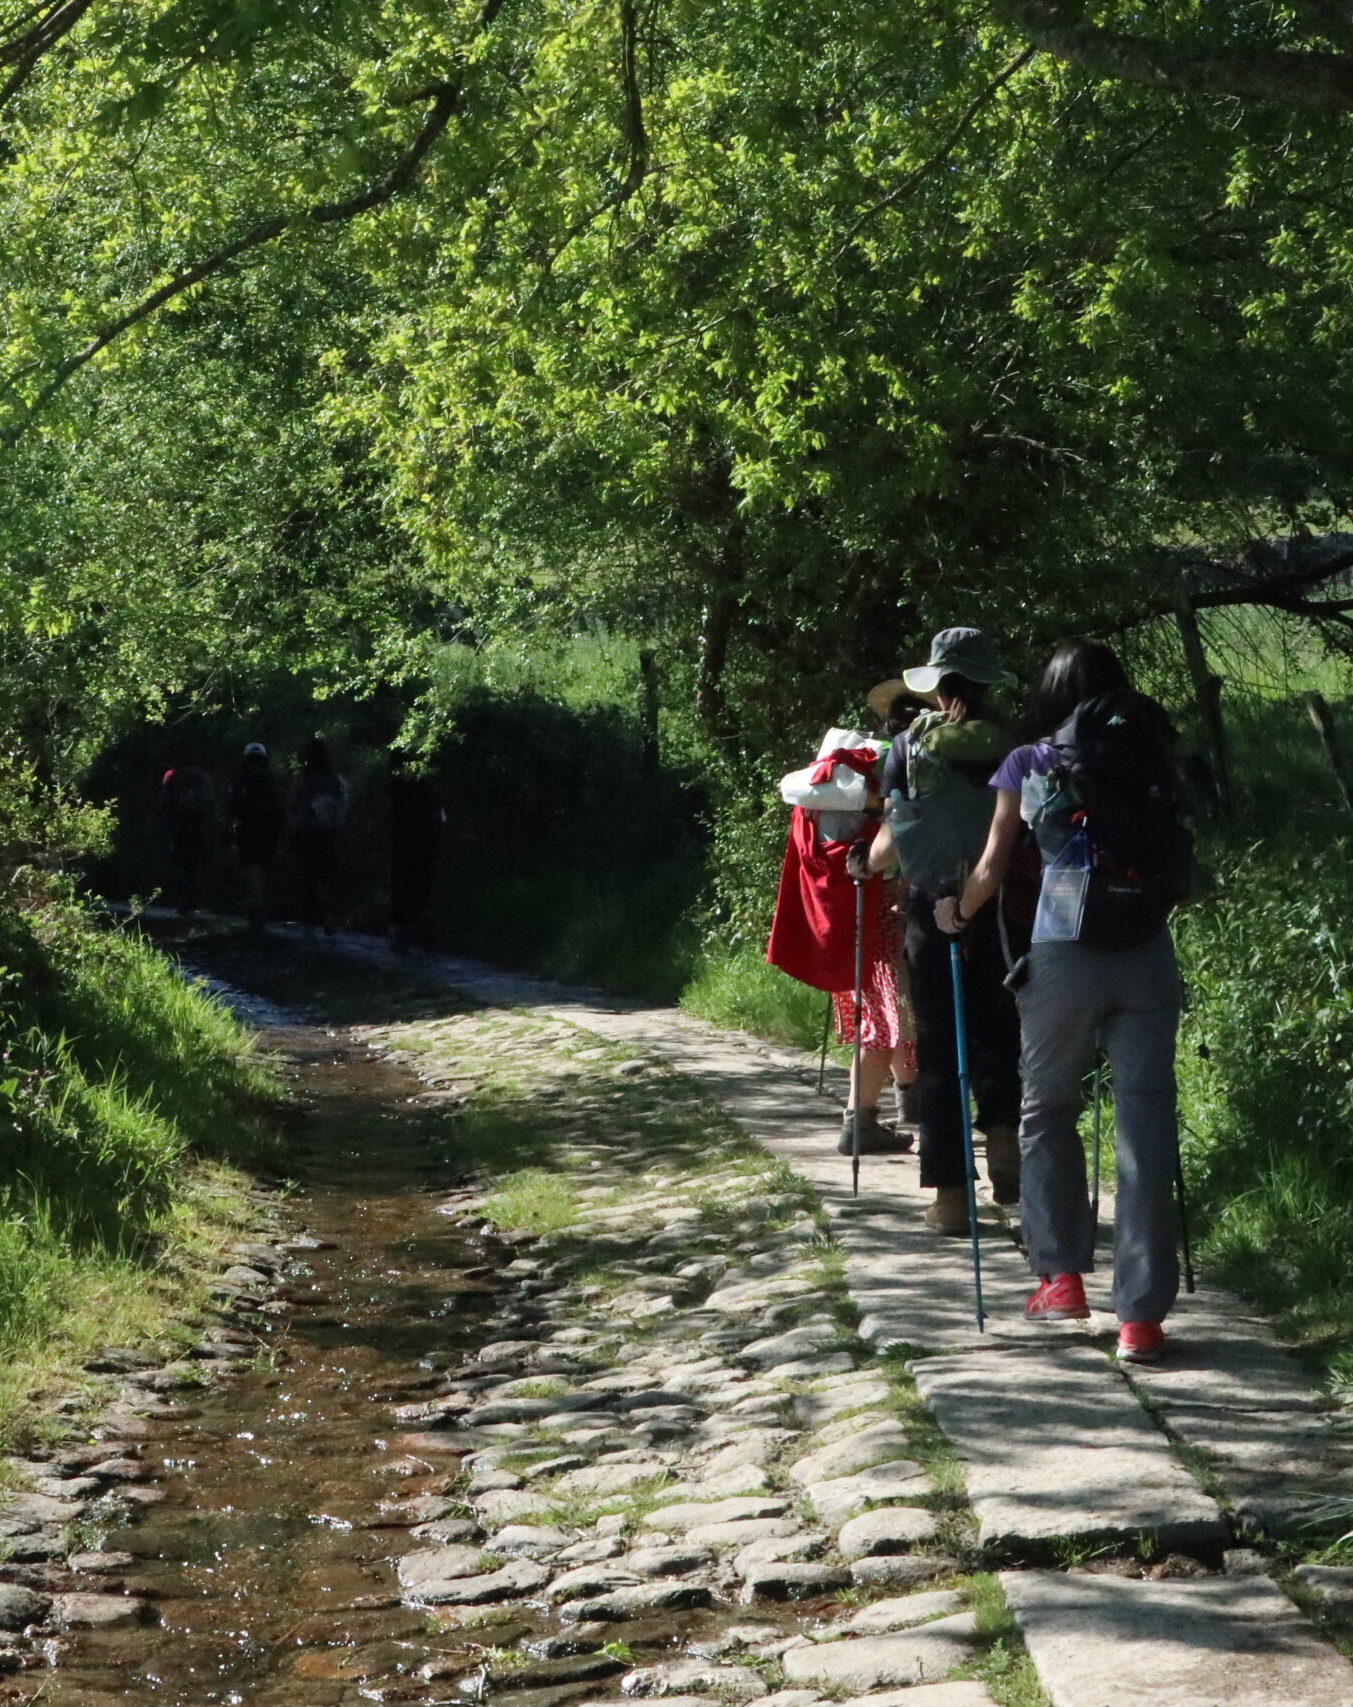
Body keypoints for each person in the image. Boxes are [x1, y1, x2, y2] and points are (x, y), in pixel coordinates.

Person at [935, 638, 1187, 1364]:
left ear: (1049, 693)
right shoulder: (1147, 748)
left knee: (1046, 1109)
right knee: (1144, 1123)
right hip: (1144, 951)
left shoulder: (1028, 760)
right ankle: (1140, 1318)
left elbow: (989, 864)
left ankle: (1063, 1278)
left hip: (1061, 956)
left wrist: (959, 910)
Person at [849, 628, 1024, 1231]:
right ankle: (1003, 1134)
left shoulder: (912, 745)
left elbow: (895, 837)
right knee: (998, 1027)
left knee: (942, 1051)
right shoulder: (1014, 745)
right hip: (1002, 907)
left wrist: (863, 864)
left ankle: (951, 1198)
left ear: (941, 687)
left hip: (932, 908)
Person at [767, 725, 917, 1154]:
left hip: (850, 925)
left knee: (885, 1015)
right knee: (886, 1019)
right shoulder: (877, 790)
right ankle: (860, 1120)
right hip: (877, 921)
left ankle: (909, 1099)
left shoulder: (815, 806)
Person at [388, 749, 445, 949]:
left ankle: (403, 930)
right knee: (422, 885)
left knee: (403, 885)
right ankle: (423, 928)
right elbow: (438, 817)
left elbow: (393, 816)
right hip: (426, 845)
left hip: (404, 844)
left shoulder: (399, 788)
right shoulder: (429, 788)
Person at [291, 737, 349, 933]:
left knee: (309, 875)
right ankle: (331, 916)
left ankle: (310, 917)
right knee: (329, 876)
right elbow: (343, 806)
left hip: (307, 833)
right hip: (331, 833)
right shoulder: (336, 779)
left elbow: (294, 804)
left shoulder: (304, 778)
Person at [228, 742, 285, 933]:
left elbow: (232, 804)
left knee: (250, 865)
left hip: (247, 826)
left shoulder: (239, 779)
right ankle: (260, 906)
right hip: (269, 828)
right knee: (263, 865)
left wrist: (226, 826)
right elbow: (279, 806)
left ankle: (256, 907)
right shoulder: (271, 779)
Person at [159, 757, 214, 915]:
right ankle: (195, 900)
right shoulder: (202, 776)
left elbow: (164, 800)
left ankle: (183, 901)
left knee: (181, 862)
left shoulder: (171, 775)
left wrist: (156, 817)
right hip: (198, 824)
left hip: (178, 824)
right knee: (195, 863)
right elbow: (210, 802)